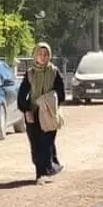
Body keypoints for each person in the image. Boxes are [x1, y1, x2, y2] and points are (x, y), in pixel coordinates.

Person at [17, 42, 66, 184]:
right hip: (33, 114)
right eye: (40, 54)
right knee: (36, 144)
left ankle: (43, 173)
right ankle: (42, 171)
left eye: (46, 54)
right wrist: (26, 110)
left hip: (49, 114)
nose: (43, 57)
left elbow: (61, 93)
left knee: (47, 143)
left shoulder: (55, 72)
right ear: (35, 56)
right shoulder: (30, 73)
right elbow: (22, 94)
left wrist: (48, 101)